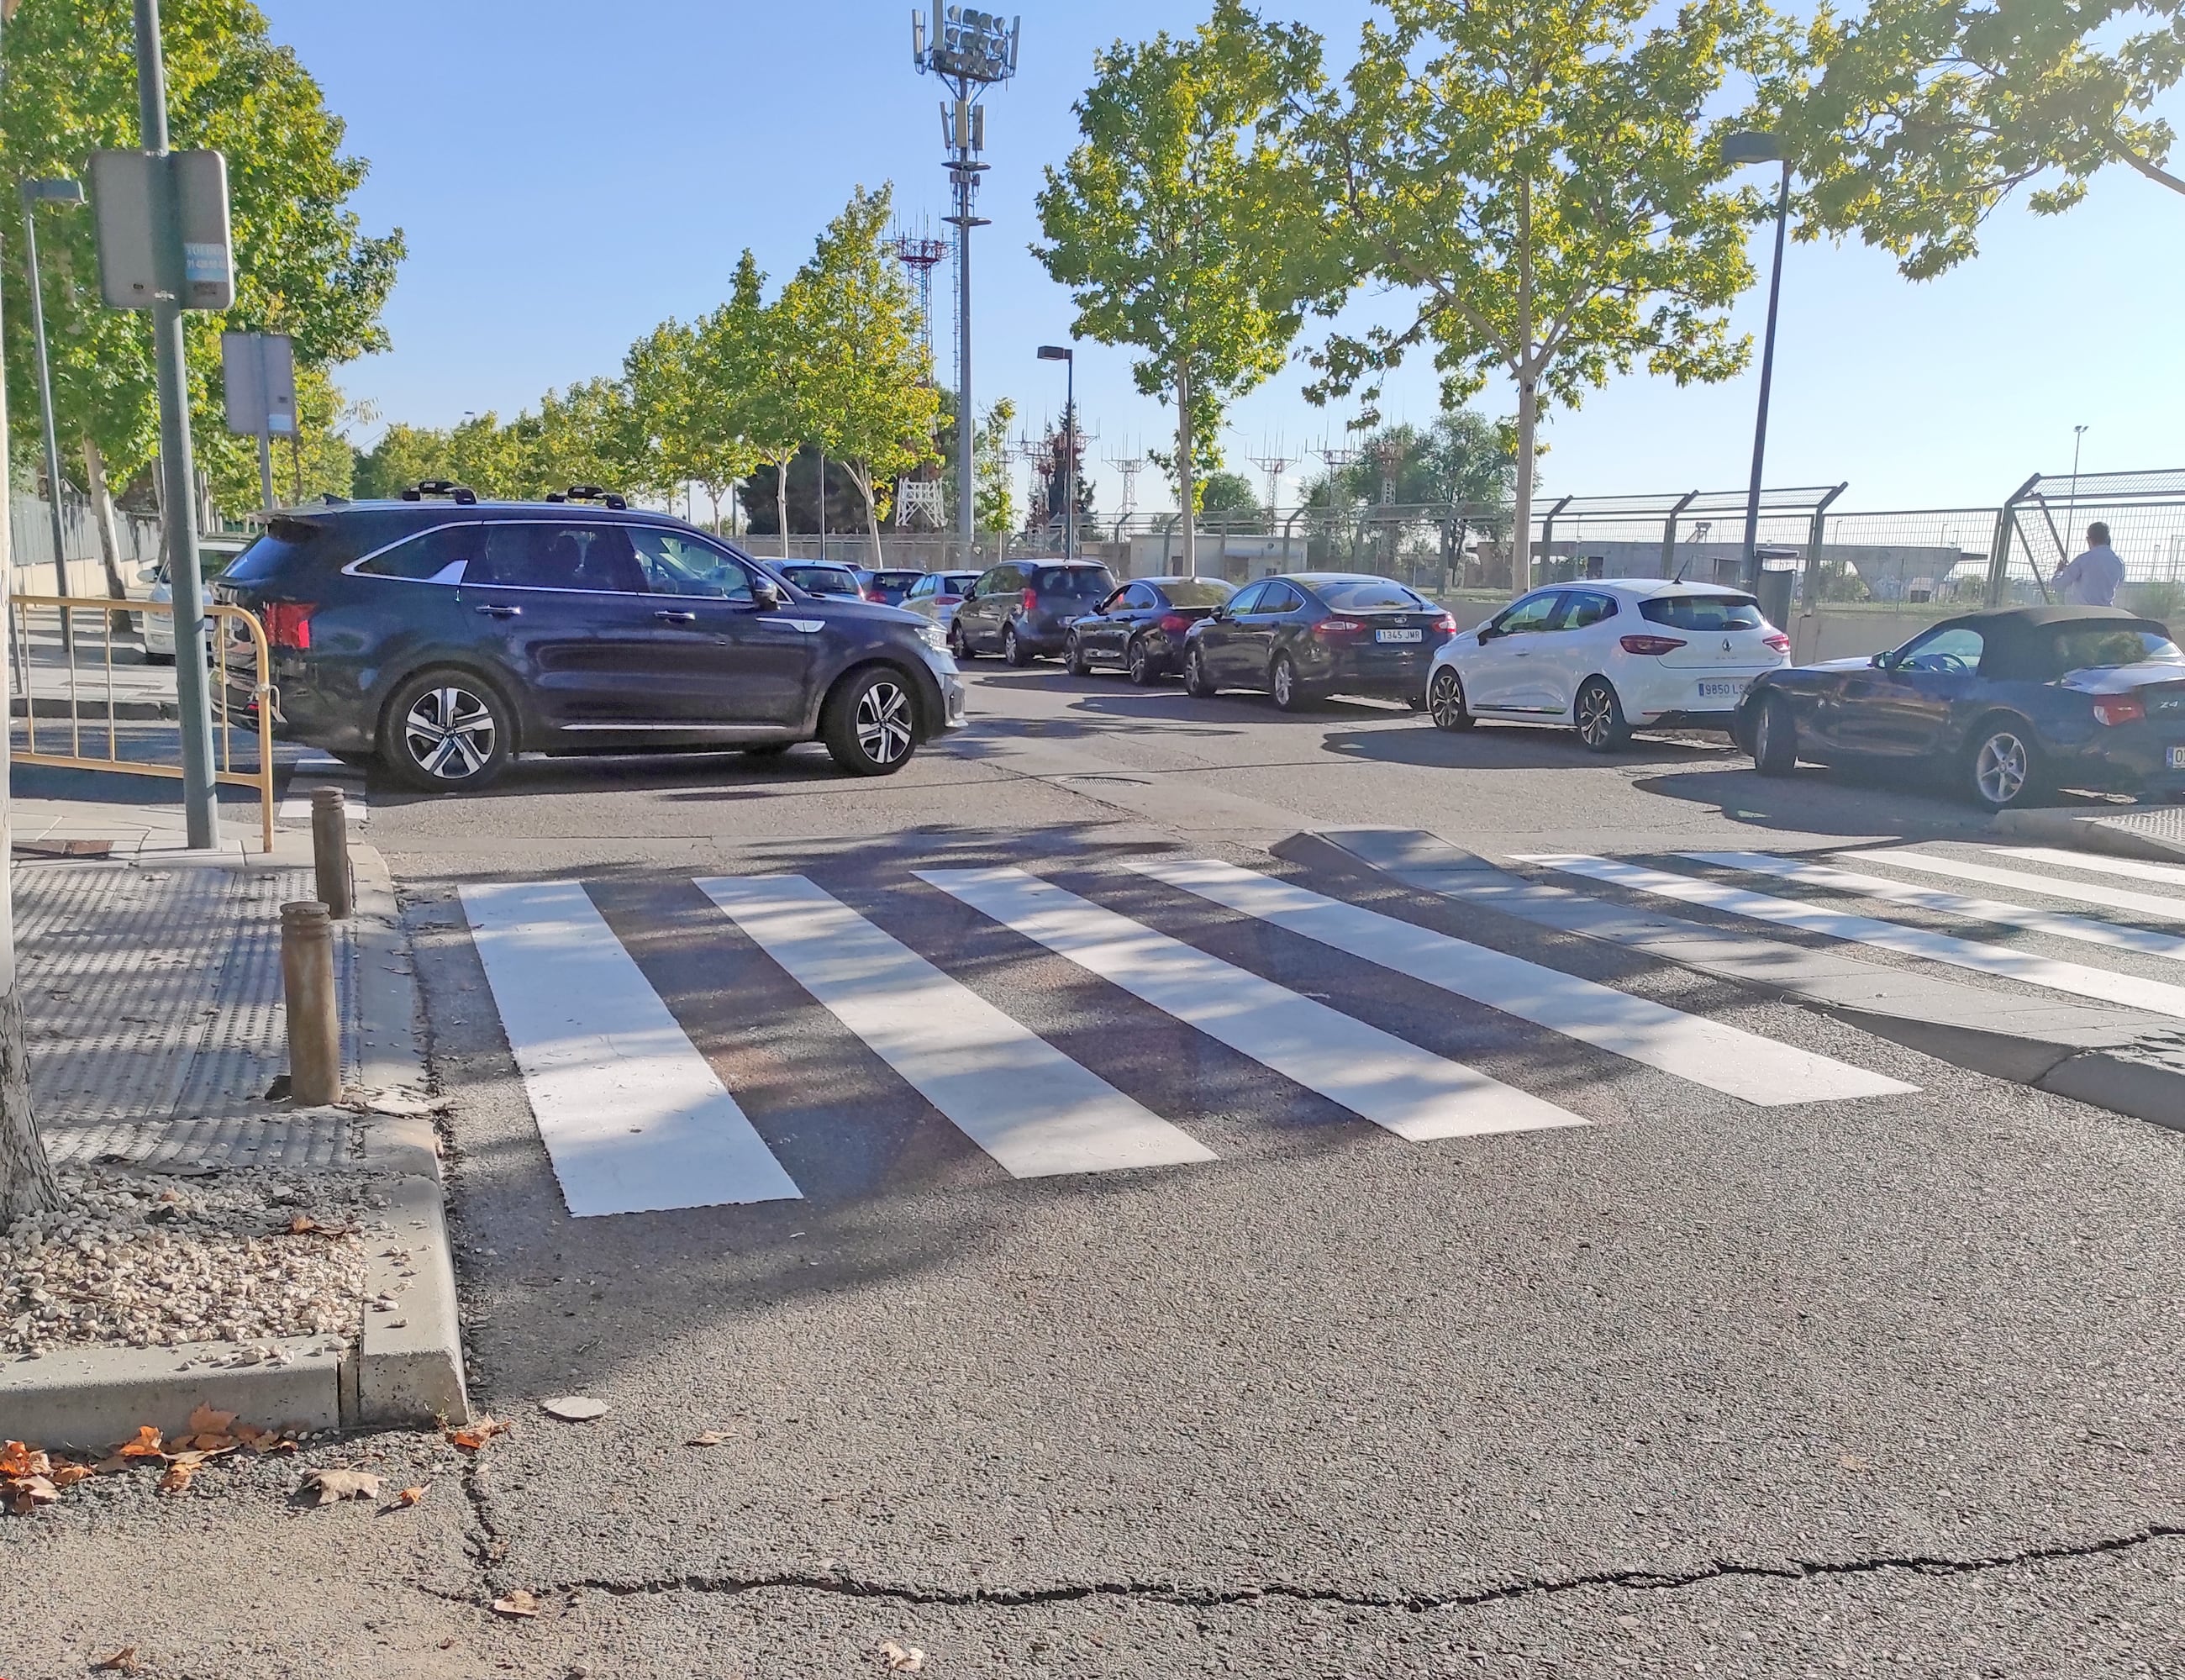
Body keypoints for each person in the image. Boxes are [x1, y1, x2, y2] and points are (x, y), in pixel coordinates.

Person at [2052, 521, 2126, 607]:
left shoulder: (2083, 560)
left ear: (2088, 540)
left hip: (2083, 613)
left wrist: (2059, 571)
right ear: (2108, 538)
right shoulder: (2118, 562)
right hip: (2106, 613)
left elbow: (2060, 584)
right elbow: (2119, 584)